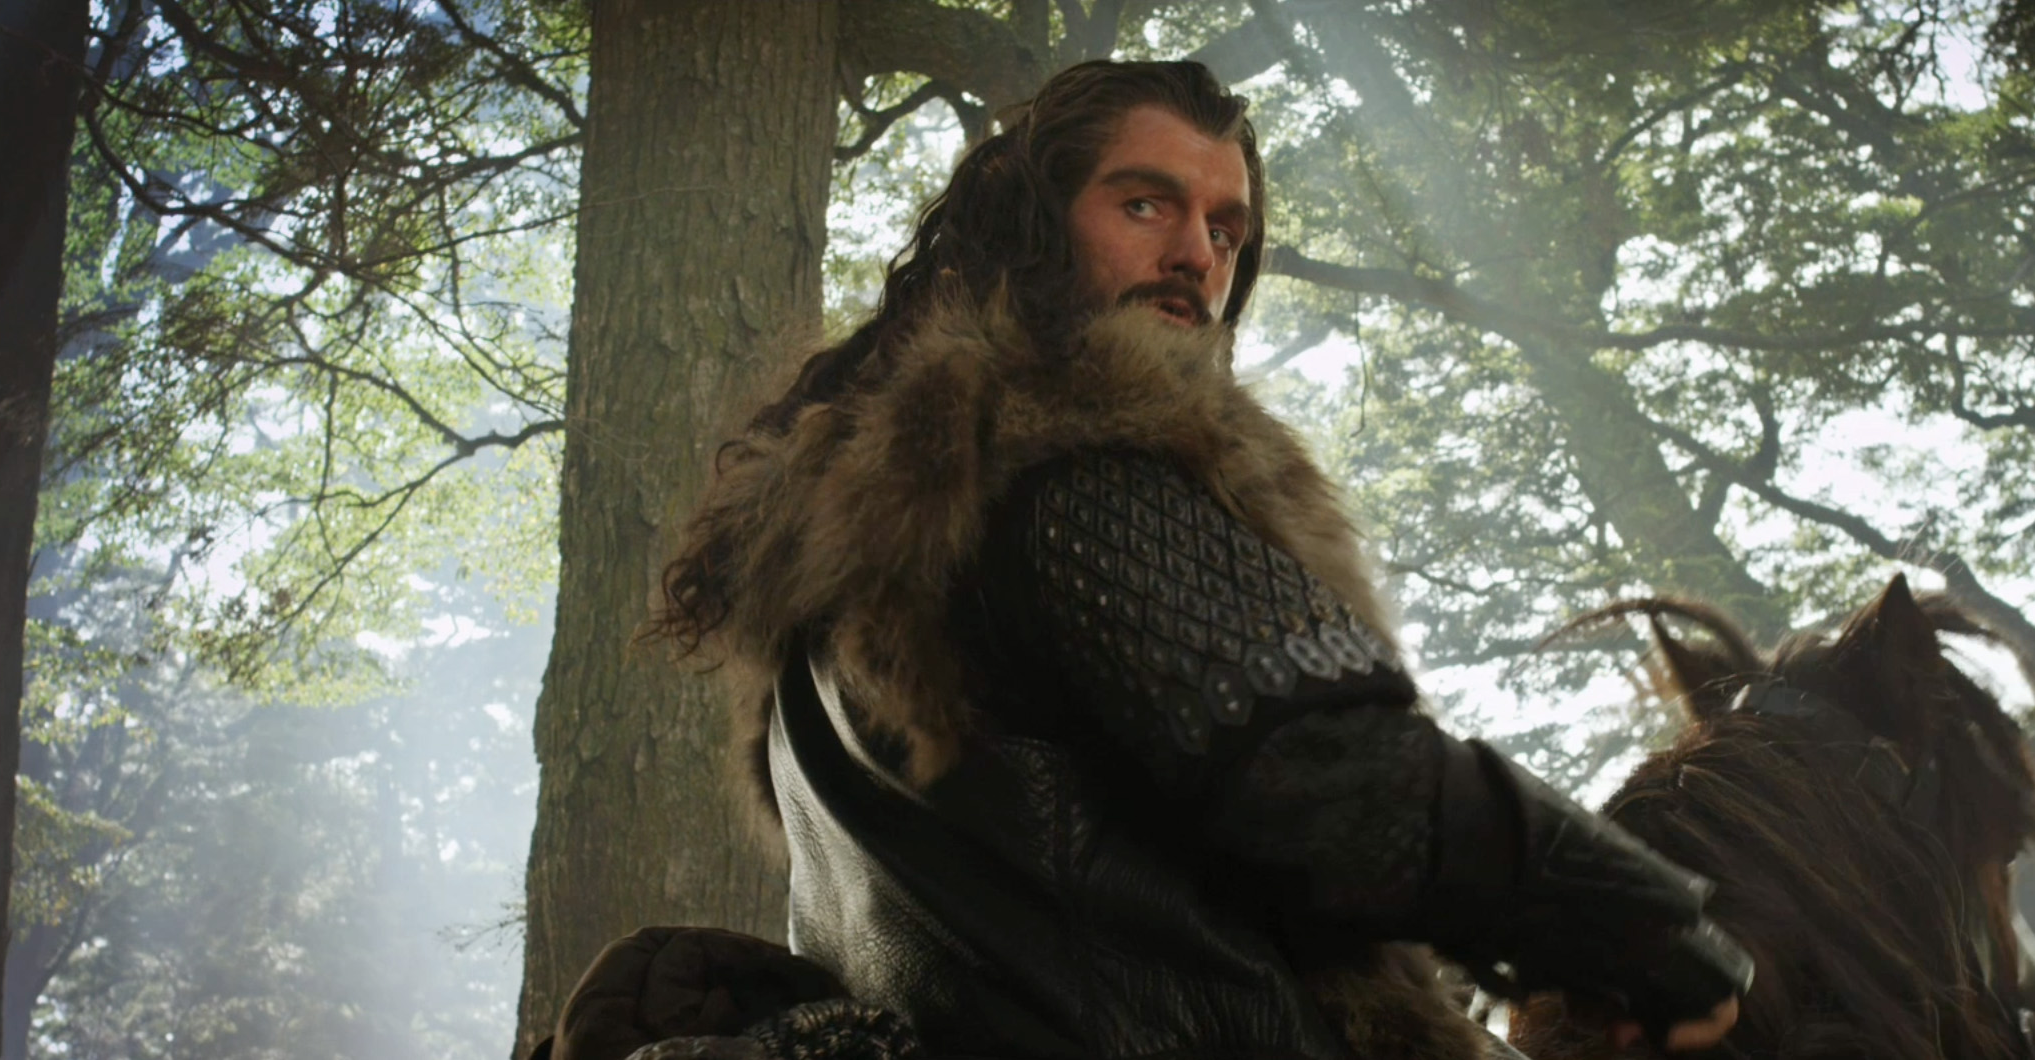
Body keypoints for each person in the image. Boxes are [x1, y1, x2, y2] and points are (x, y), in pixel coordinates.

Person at [629, 60, 1750, 1060]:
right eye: (1144, 203)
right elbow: (1333, 769)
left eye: (1225, 229)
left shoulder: (861, 560)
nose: (1194, 257)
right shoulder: (1075, 465)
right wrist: (1641, 928)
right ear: (1028, 221)